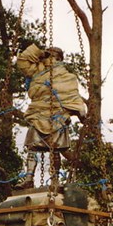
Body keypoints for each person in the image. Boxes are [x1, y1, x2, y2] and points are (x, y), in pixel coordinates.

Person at [16, 43, 86, 189]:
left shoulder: (68, 77)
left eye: (54, 56)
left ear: (60, 59)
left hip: (58, 117)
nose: (51, 59)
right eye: (49, 56)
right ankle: (29, 178)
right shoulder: (37, 71)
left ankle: (55, 180)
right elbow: (22, 60)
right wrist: (39, 53)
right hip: (38, 114)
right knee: (32, 147)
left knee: (55, 149)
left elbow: (73, 96)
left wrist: (81, 113)